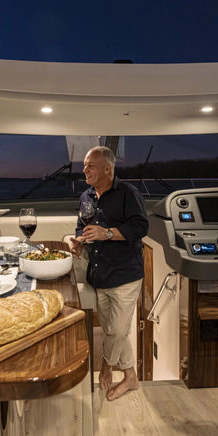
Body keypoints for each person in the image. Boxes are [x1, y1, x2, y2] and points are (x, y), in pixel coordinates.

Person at [68, 146, 148, 401]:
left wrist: (108, 233)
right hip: (99, 275)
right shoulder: (86, 196)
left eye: (90, 165)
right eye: (84, 165)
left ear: (107, 169)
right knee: (113, 330)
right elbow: (81, 226)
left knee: (116, 331)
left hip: (126, 275)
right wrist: (79, 242)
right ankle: (131, 377)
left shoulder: (128, 193)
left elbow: (140, 226)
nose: (84, 170)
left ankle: (106, 367)